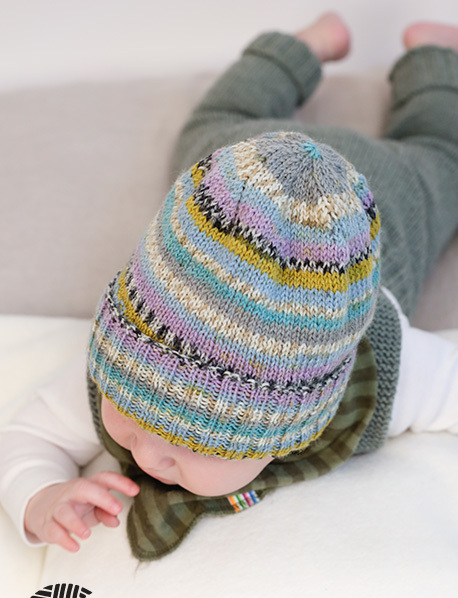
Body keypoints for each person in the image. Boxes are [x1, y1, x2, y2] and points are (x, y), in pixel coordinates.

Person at [1, 13, 458, 562]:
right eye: (130, 411)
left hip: (391, 190)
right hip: (241, 168)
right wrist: (41, 496)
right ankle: (297, 48)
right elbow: (28, 438)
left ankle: (435, 58)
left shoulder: (389, 373)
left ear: (293, 424)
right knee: (219, 117)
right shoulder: (125, 356)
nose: (146, 456)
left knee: (443, 155)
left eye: (196, 444)